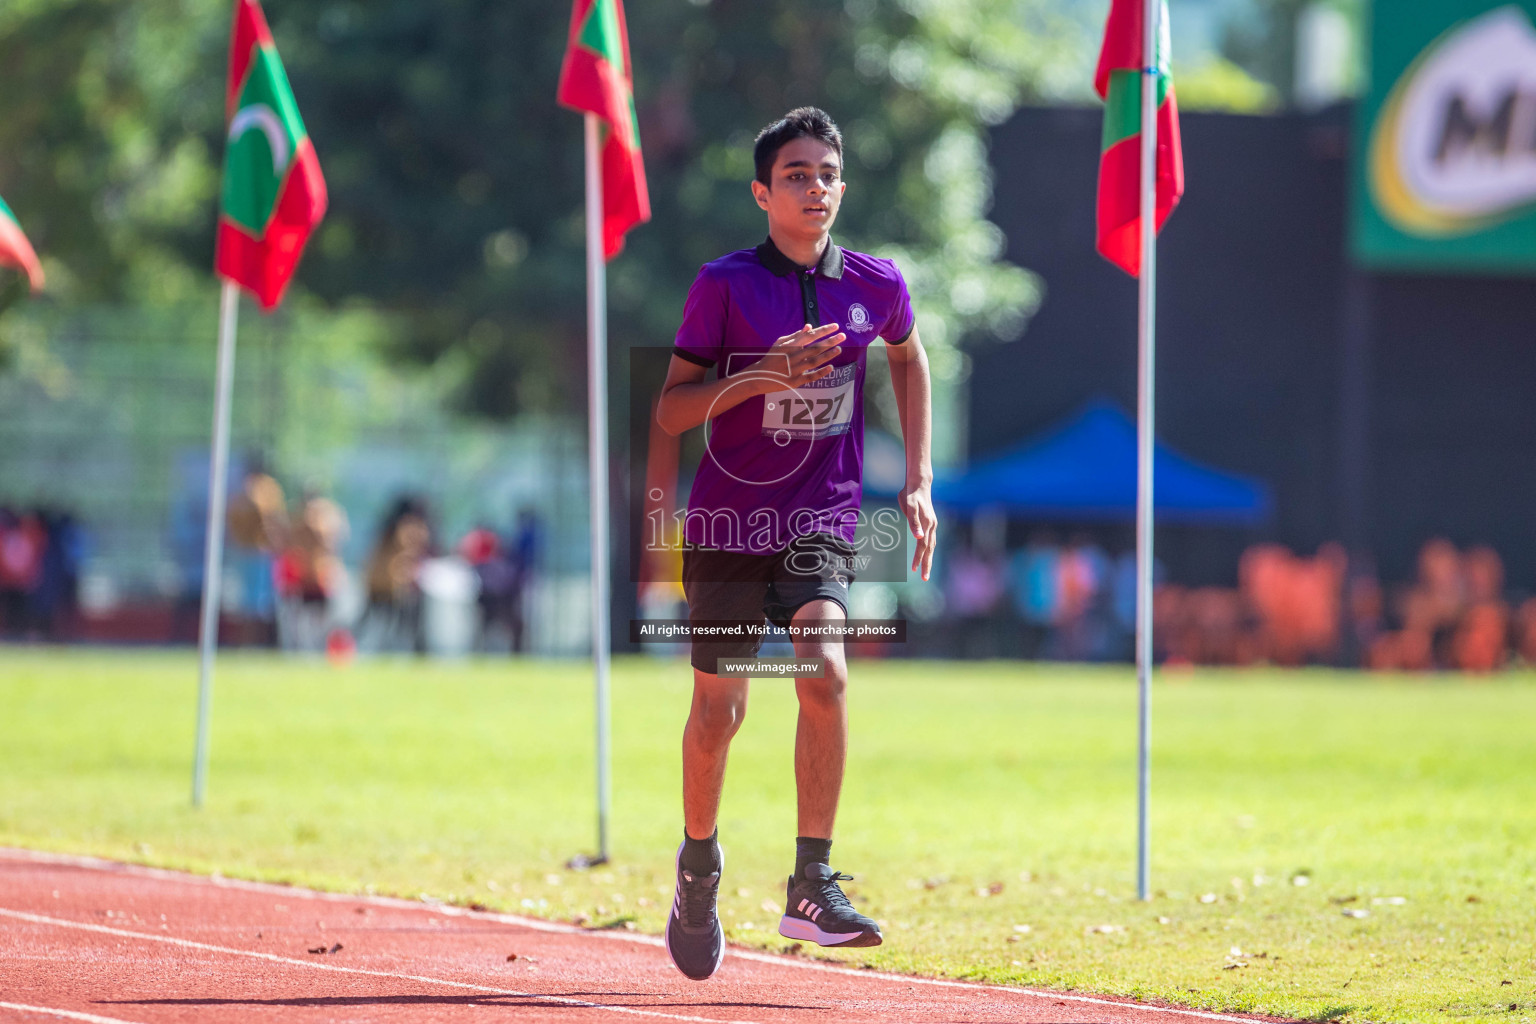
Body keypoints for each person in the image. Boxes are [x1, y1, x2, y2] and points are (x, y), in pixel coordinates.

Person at [653, 107, 936, 980]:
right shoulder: (726, 284)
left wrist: (918, 477)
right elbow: (667, 410)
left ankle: (812, 882)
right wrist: (761, 375)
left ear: (842, 186)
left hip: (822, 516)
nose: (814, 188)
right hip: (731, 524)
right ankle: (697, 869)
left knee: (826, 663)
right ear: (762, 192)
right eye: (796, 175)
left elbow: (908, 356)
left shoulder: (878, 283)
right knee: (719, 714)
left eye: (825, 174)